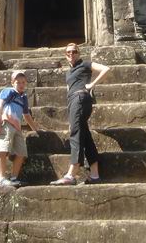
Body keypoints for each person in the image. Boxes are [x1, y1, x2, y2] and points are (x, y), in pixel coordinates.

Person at [50, 43, 110, 185]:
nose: (71, 54)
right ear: (65, 55)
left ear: (79, 53)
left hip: (80, 98)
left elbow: (106, 69)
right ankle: (95, 174)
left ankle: (72, 174)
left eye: (74, 51)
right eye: (68, 52)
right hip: (73, 102)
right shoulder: (69, 72)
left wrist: (92, 84)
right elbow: (68, 90)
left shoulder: (85, 64)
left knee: (76, 134)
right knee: (85, 135)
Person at [0, 70, 40, 187]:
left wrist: (36, 130)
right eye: (18, 82)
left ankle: (14, 178)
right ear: (12, 83)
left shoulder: (23, 97)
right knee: (3, 149)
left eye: (23, 82)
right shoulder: (9, 91)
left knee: (21, 152)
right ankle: (2, 178)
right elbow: (0, 103)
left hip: (17, 128)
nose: (21, 84)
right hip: (6, 123)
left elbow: (27, 115)